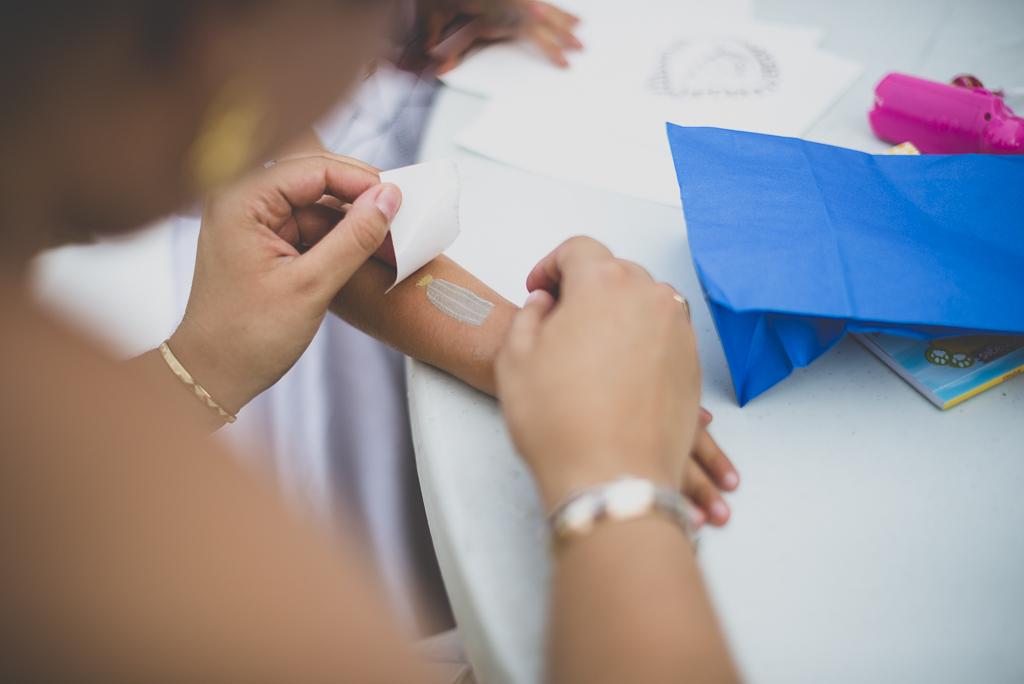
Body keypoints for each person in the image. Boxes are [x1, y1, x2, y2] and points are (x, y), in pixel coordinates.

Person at [0, 1, 740, 681]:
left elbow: (310, 200)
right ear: (208, 48)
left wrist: (195, 369)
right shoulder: (154, 562)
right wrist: (613, 484)